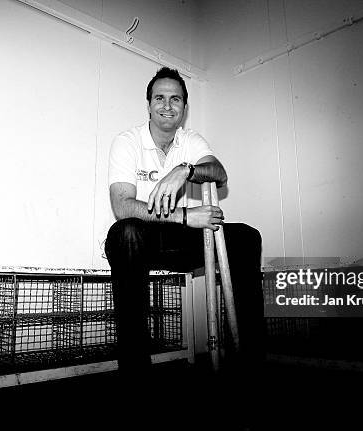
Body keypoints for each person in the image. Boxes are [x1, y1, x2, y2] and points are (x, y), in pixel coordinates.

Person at [105, 67, 264, 375]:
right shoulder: (127, 141)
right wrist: (186, 216)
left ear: (184, 107)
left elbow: (219, 173)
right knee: (125, 233)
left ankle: (250, 361)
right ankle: (135, 372)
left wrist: (185, 170)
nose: (167, 105)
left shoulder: (189, 141)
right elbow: (122, 206)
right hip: (141, 239)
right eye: (160, 98)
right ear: (149, 104)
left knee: (247, 236)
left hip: (178, 241)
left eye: (175, 98)